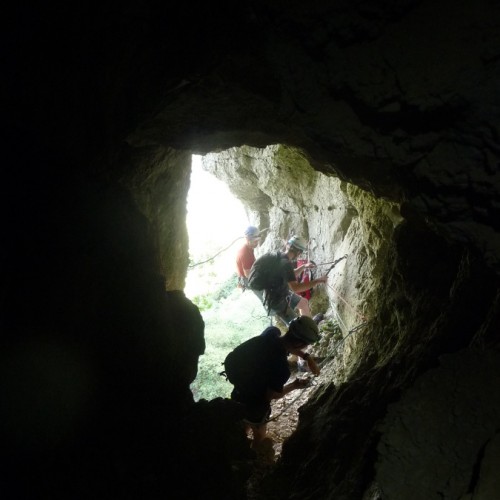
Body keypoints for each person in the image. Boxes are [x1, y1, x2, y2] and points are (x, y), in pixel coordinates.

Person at [225, 316, 321, 455]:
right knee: (259, 434)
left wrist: (307, 357)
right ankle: (252, 459)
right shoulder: (281, 369)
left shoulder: (271, 333)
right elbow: (272, 396)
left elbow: (285, 345)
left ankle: (241, 442)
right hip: (256, 405)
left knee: (242, 422)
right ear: (301, 344)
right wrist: (295, 385)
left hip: (239, 390)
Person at [265, 235, 328, 326]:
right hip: (276, 300)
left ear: (288, 245)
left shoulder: (281, 256)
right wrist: (318, 281)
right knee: (296, 326)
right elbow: (296, 288)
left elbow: (290, 274)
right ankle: (305, 334)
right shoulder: (286, 263)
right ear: (299, 252)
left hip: (279, 292)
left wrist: (303, 266)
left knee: (303, 303)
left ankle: (310, 325)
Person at [235, 225, 261, 290]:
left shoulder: (249, 247)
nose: (257, 243)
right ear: (247, 239)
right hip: (246, 279)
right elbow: (248, 275)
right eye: (255, 241)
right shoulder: (245, 253)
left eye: (257, 240)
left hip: (249, 273)